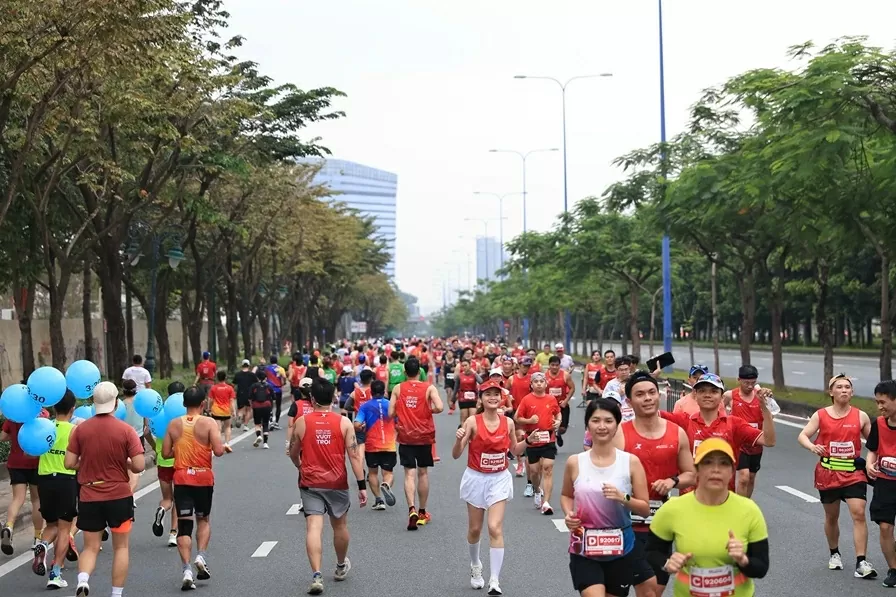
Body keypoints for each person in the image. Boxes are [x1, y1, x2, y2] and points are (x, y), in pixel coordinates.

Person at [646, 438, 770, 597]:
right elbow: (651, 551)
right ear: (696, 471)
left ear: (732, 472)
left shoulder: (749, 510)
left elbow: (761, 568)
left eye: (724, 463)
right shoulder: (672, 509)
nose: (716, 470)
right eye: (708, 462)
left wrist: (743, 560)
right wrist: (667, 563)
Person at [613, 372, 696, 597]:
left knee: (654, 591)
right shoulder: (620, 434)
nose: (647, 398)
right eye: (640, 394)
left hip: (659, 527)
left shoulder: (676, 433)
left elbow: (692, 475)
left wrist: (673, 481)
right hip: (624, 526)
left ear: (658, 395)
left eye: (651, 392)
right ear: (629, 401)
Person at [562, 398, 651, 597]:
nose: (602, 426)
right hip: (584, 546)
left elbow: (644, 508)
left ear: (617, 424)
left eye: (608, 421)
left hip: (621, 548)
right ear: (588, 425)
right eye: (596, 420)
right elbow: (566, 495)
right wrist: (569, 514)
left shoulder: (630, 462)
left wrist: (624, 498)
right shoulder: (575, 462)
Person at [65, 381, 145, 597]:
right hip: (119, 495)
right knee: (121, 548)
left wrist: (89, 462)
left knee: (90, 547)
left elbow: (68, 463)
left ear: (93, 402)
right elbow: (139, 465)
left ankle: (83, 580)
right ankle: (116, 594)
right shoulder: (126, 430)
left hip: (89, 495)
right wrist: (124, 462)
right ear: (116, 402)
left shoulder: (81, 429)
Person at [289, 379, 367, 595]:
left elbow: (293, 453)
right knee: (340, 526)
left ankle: (316, 574)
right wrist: (362, 486)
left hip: (310, 482)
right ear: (333, 397)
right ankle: (341, 565)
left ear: (312, 398)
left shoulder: (302, 422)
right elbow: (354, 457)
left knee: (314, 527)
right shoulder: (344, 423)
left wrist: (300, 466)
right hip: (336, 482)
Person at [453, 380, 529, 595]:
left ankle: (494, 579)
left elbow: (514, 450)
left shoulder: (509, 423)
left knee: (495, 527)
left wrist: (528, 442)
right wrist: (459, 440)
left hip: (499, 479)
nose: (493, 398)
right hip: (476, 478)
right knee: (475, 529)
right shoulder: (472, 422)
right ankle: (476, 565)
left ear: (501, 397)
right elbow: (456, 454)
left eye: (496, 394)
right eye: (488, 394)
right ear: (481, 399)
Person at [798, 373, 876, 578]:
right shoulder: (821, 415)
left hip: (853, 472)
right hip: (828, 473)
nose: (844, 390)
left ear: (852, 392)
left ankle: (862, 562)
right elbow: (803, 435)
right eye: (839, 387)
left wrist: (872, 463)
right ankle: (834, 554)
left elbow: (875, 444)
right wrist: (813, 447)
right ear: (831, 392)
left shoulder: (861, 416)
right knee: (832, 516)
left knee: (859, 513)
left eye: (847, 387)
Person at [163, 386, 225, 590]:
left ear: (183, 404)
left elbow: (165, 454)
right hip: (203, 478)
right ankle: (201, 556)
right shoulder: (208, 423)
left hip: (181, 478)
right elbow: (218, 451)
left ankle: (187, 570)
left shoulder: (173, 424)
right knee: (203, 519)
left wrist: (180, 450)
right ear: (203, 404)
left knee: (184, 525)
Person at [389, 357, 444, 530]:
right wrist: (429, 409)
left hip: (406, 435)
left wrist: (403, 410)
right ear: (419, 371)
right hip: (424, 435)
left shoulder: (398, 388)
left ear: (405, 372)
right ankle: (422, 512)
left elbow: (391, 412)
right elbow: (440, 407)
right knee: (423, 473)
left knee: (409, 474)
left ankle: (411, 508)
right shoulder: (429, 388)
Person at [33, 391, 79, 588]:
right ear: (73, 409)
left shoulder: (45, 427)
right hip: (66, 480)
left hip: (44, 479)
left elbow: (30, 452)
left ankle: (42, 544)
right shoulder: (75, 430)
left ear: (53, 408)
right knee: (64, 529)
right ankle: (56, 574)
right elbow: (79, 459)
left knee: (50, 524)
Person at [1, 408, 48, 556]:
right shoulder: (42, 414)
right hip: (35, 463)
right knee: (36, 500)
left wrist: (15, 436)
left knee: (17, 498)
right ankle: (37, 538)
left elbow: (2, 437)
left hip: (15, 463)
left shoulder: (13, 416)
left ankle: (8, 526)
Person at [515, 372, 562, 515]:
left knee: (547, 469)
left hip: (549, 438)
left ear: (546, 384)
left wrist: (558, 422)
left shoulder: (551, 399)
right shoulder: (527, 400)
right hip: (533, 439)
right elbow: (517, 418)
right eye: (536, 382)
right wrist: (529, 421)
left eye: (542, 381)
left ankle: (546, 502)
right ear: (532, 384)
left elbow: (558, 413)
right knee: (535, 472)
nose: (539, 384)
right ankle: (536, 490)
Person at [867, 379, 896, 587]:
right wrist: (869, 464)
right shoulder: (878, 423)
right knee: (885, 527)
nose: (880, 407)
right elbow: (873, 449)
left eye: (883, 402)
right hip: (885, 483)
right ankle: (894, 570)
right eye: (877, 402)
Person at [149, 381, 184, 548]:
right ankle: (173, 533)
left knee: (167, 499)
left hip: (163, 462)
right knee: (178, 499)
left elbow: (148, 431)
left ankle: (162, 509)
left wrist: (155, 449)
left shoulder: (159, 413)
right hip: (180, 461)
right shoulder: (183, 416)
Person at [354, 380, 397, 511]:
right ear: (384, 391)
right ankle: (386, 484)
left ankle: (379, 500)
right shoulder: (391, 405)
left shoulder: (365, 406)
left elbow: (356, 425)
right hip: (389, 445)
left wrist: (361, 427)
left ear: (371, 392)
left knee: (372, 473)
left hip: (372, 445)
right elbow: (399, 422)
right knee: (388, 472)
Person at [723, 365, 765, 498]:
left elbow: (772, 414)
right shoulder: (730, 395)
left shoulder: (760, 396)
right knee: (744, 477)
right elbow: (719, 411)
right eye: (746, 383)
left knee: (751, 477)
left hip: (756, 443)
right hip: (739, 444)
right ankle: (739, 507)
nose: (750, 386)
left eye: (753, 383)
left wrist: (766, 401)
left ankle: (746, 505)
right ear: (739, 380)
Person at [206, 370, 235, 452]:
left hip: (216, 411)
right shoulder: (230, 388)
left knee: (218, 429)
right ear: (225, 377)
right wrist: (233, 411)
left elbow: (210, 400)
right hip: (226, 411)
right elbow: (232, 401)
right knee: (227, 427)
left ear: (217, 378)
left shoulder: (213, 388)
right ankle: (227, 443)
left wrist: (209, 408)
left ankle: (218, 445)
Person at [249, 369, 274, 449]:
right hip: (267, 405)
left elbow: (250, 397)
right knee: (266, 423)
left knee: (257, 423)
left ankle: (259, 435)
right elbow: (273, 397)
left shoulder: (253, 386)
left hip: (256, 406)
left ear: (257, 377)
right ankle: (265, 443)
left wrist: (251, 405)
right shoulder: (269, 386)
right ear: (265, 377)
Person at [264, 356, 287, 430]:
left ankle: (270, 421)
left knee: (269, 405)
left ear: (270, 361)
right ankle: (276, 422)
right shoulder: (281, 369)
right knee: (278, 406)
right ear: (277, 361)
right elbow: (284, 377)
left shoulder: (267, 368)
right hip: (278, 389)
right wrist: (283, 383)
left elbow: (264, 377)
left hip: (269, 389)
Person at [232, 360, 256, 429]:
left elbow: (234, 384)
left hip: (240, 393)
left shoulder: (238, 374)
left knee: (240, 409)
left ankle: (239, 417)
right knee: (249, 410)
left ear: (242, 365)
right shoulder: (252, 375)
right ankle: (245, 425)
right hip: (249, 394)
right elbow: (255, 384)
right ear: (249, 365)